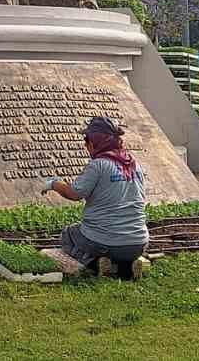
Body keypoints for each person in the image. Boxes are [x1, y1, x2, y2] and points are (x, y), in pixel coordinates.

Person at [41, 117, 151, 280]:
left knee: (69, 235)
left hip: (106, 243)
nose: (86, 145)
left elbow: (74, 194)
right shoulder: (134, 164)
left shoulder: (98, 165)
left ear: (96, 142)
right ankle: (125, 266)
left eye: (87, 141)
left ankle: (95, 262)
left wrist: (54, 184)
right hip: (138, 243)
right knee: (112, 243)